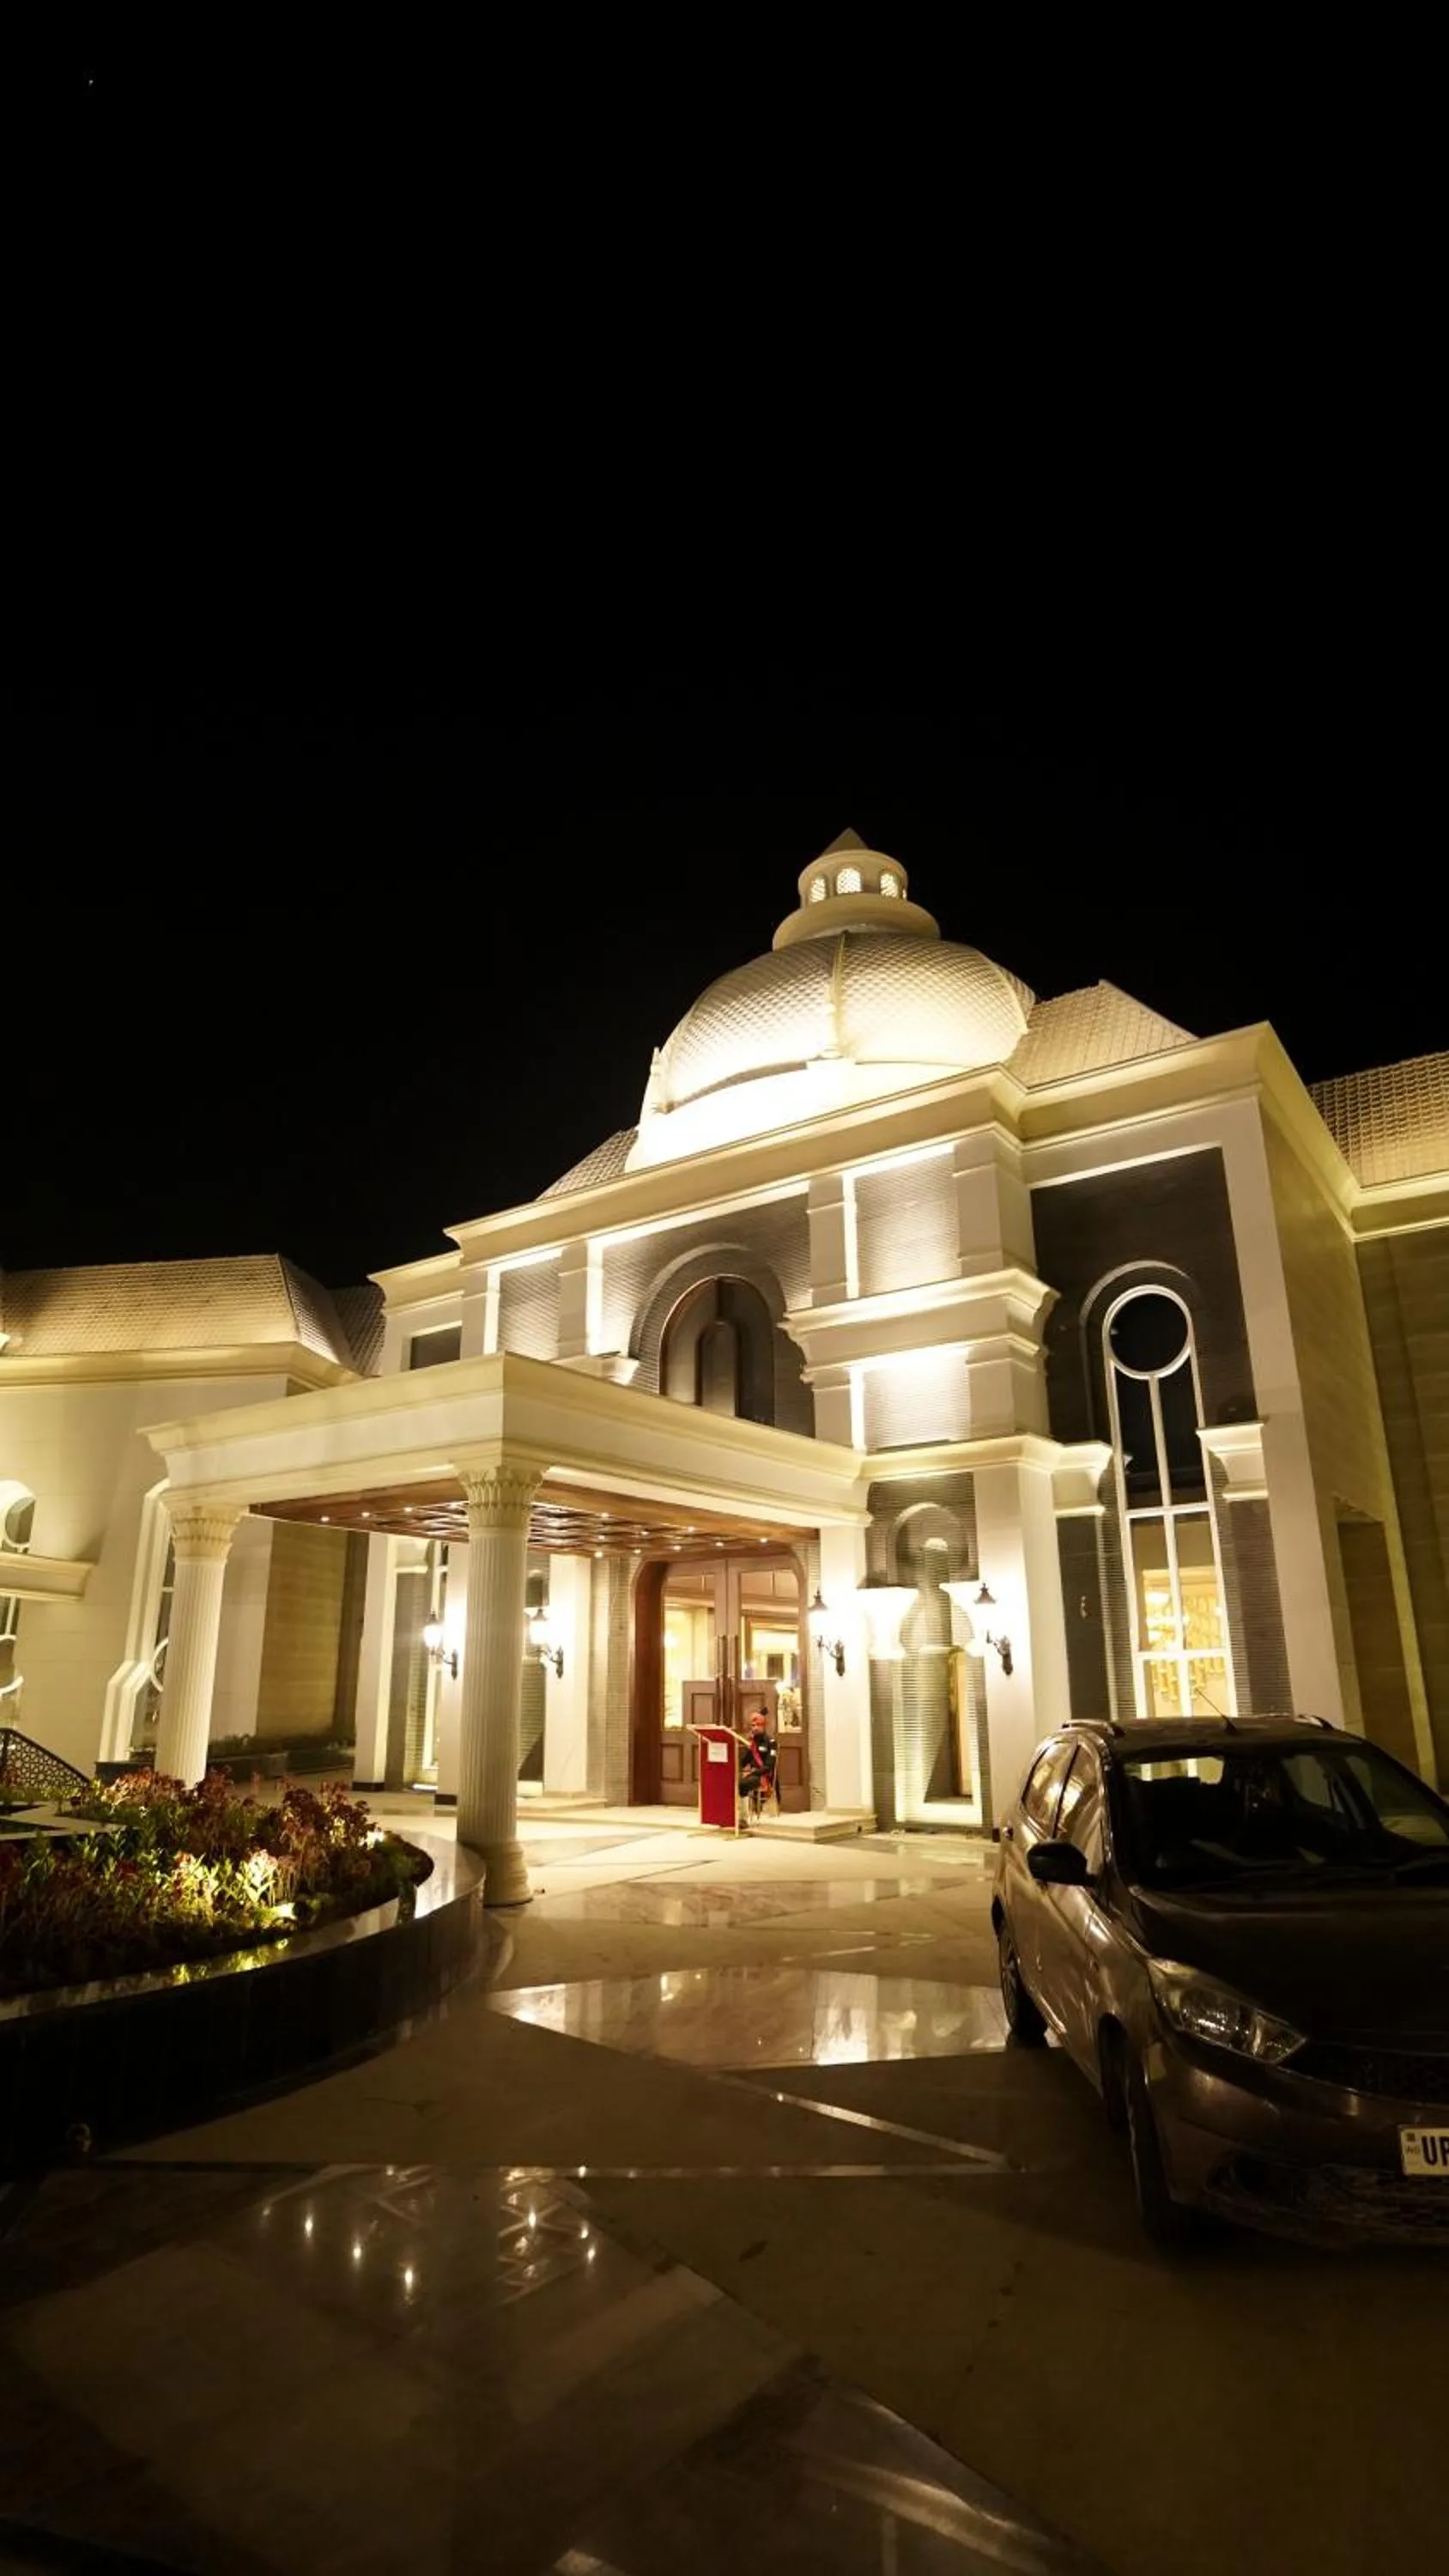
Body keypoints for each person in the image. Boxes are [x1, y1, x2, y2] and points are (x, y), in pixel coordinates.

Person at [738, 1707, 779, 1811]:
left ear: (764, 1726)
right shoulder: (753, 1743)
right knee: (732, 1783)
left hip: (764, 1776)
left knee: (741, 1785)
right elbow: (743, 1762)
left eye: (758, 1725)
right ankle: (737, 1813)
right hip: (753, 1774)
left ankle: (743, 1817)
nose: (755, 1728)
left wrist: (752, 1773)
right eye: (753, 1725)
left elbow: (768, 1766)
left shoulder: (771, 1742)